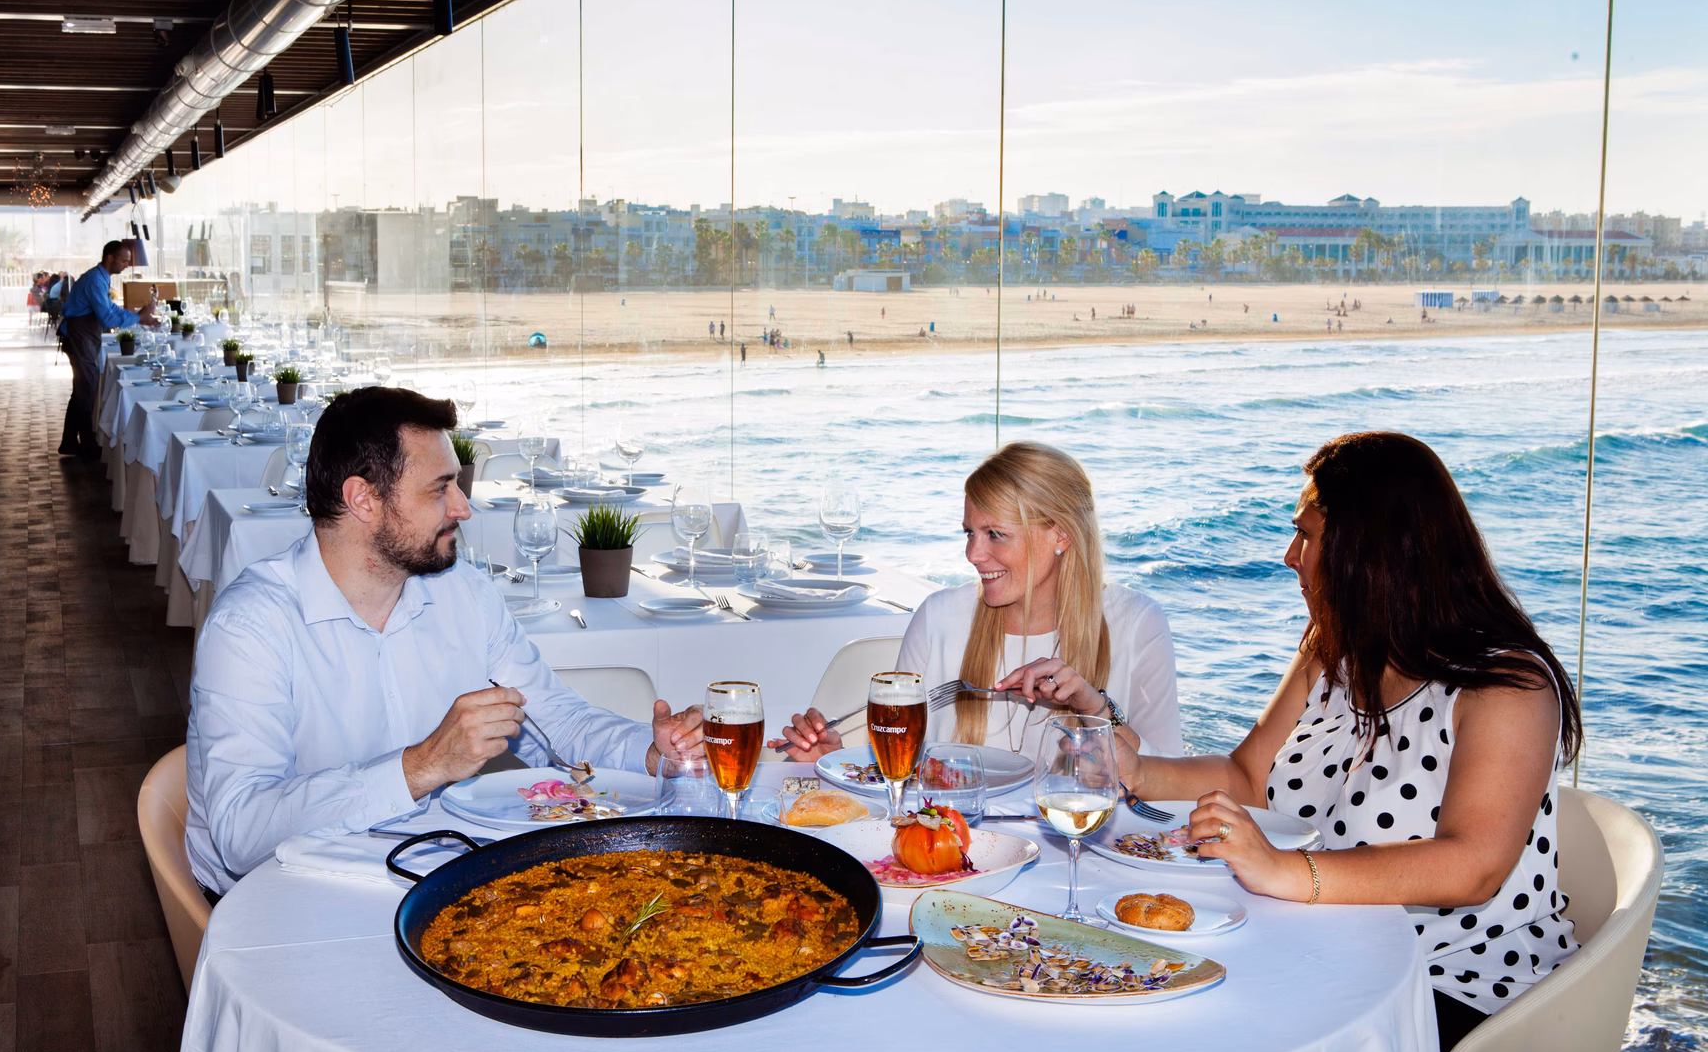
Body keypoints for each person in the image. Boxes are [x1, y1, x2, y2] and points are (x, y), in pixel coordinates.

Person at [999, 432, 1581, 1052]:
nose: (1288, 555)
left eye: (1306, 535)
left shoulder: (1507, 685)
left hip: (1458, 984)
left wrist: (1281, 871)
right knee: (1118, 996)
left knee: (1198, 1042)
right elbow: (1250, 777)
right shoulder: (1332, 649)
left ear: (1370, 551)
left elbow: (1474, 866)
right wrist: (1136, 769)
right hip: (1327, 945)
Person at [185, 387, 706, 895]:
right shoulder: (251, 627)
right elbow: (242, 834)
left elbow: (558, 720)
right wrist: (423, 765)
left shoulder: (464, 594)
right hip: (281, 895)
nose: (462, 507)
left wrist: (650, 751)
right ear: (363, 499)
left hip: (424, 867)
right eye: (440, 488)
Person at [777, 441, 1182, 760]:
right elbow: (898, 773)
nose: (973, 554)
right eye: (969, 532)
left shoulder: (1137, 625)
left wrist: (1098, 711)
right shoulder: (938, 619)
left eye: (995, 534)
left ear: (1060, 534)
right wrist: (833, 760)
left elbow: (1168, 783)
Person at [58, 240, 158, 460]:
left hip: (85, 334)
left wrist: (136, 316)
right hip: (79, 335)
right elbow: (107, 316)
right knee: (86, 387)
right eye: (123, 260)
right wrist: (138, 317)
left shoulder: (100, 278)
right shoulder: (95, 279)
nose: (126, 265)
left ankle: (69, 441)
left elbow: (110, 309)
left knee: (83, 388)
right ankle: (86, 444)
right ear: (109, 258)